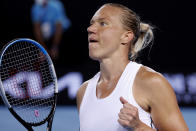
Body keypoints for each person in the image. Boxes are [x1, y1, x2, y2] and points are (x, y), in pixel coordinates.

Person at [76, 3, 189, 131]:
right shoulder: (83, 92)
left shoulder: (151, 83)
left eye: (103, 23)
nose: (90, 29)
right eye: (92, 23)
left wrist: (138, 126)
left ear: (126, 36)